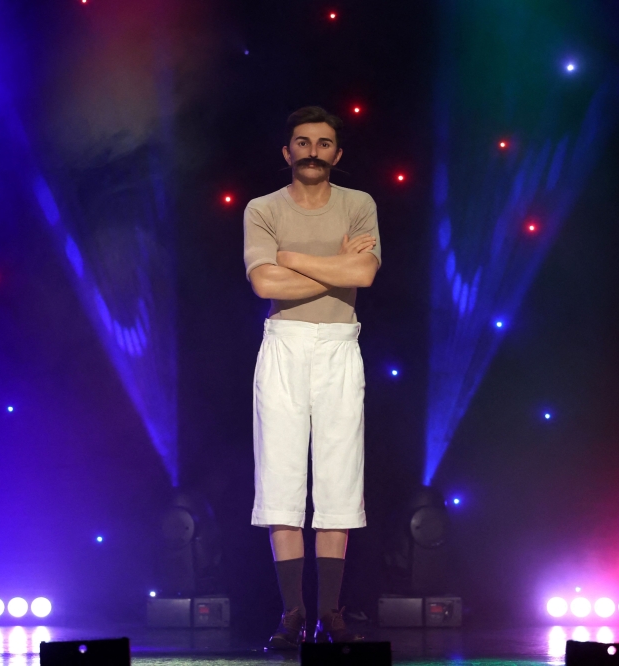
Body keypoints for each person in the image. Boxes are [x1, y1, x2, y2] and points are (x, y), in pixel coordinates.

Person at [243, 106, 381, 648]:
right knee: (280, 478)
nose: (313, 151)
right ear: (287, 151)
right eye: (303, 142)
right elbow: (263, 286)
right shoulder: (262, 208)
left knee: (338, 478)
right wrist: (333, 267)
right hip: (285, 344)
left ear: (337, 154)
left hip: (340, 346)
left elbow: (364, 274)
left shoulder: (359, 205)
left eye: (323, 144)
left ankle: (331, 613)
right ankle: (293, 613)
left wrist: (293, 259)